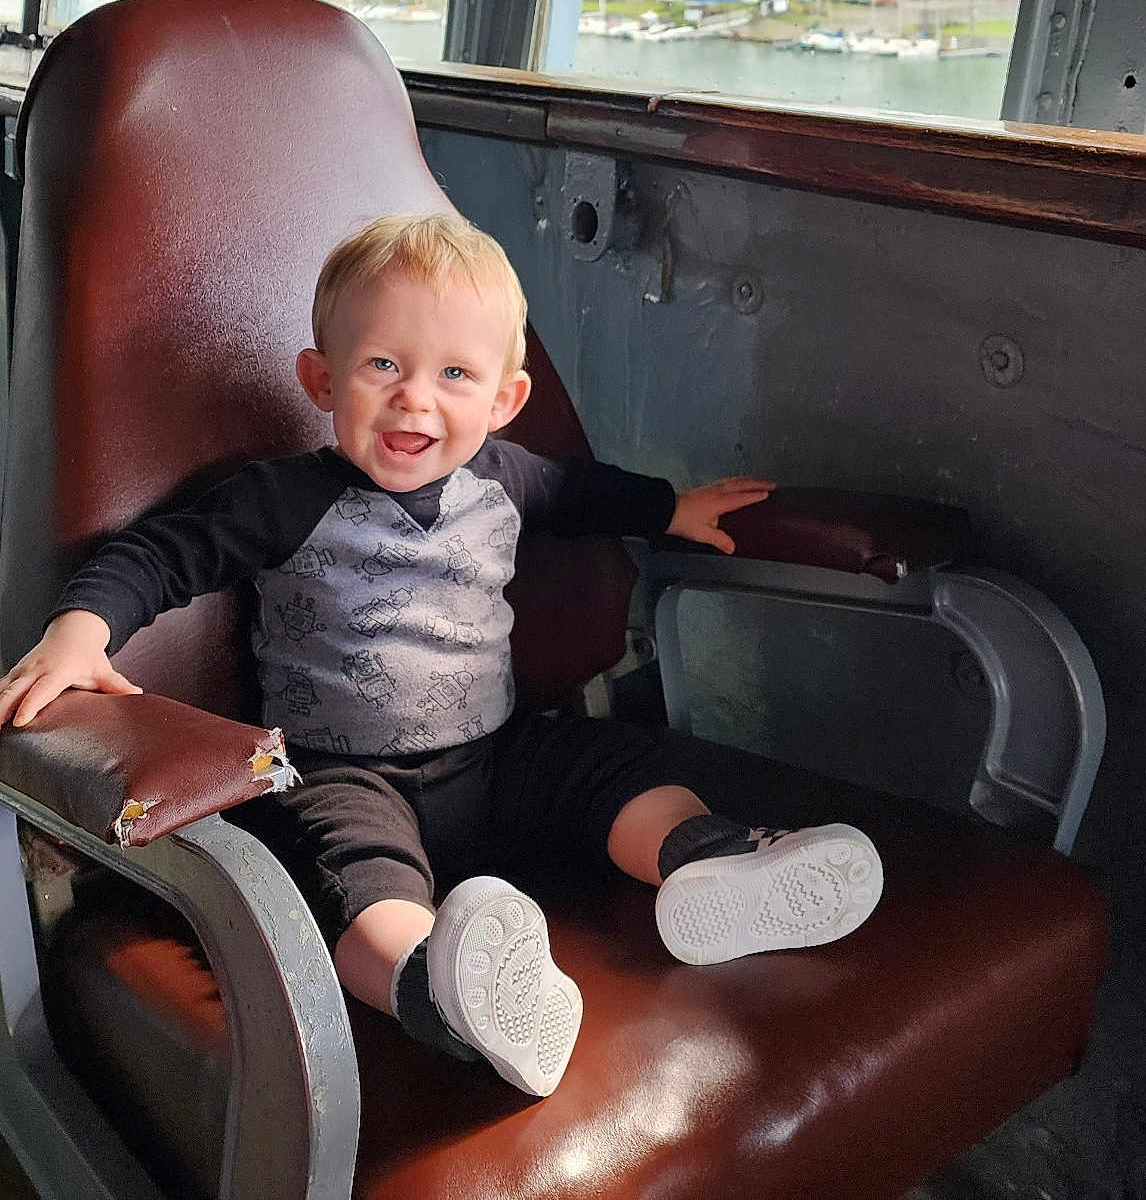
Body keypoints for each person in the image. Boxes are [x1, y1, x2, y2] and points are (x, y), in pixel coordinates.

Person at [0, 213, 882, 1099]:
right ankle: (439, 989)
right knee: (355, 884)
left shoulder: (504, 476)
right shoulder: (280, 499)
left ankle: (709, 861)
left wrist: (669, 509)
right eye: (383, 366)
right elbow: (159, 554)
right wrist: (82, 628)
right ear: (321, 379)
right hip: (341, 773)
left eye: (454, 374)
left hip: (496, 759)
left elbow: (582, 492)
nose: (415, 399)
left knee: (614, 768)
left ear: (503, 400)